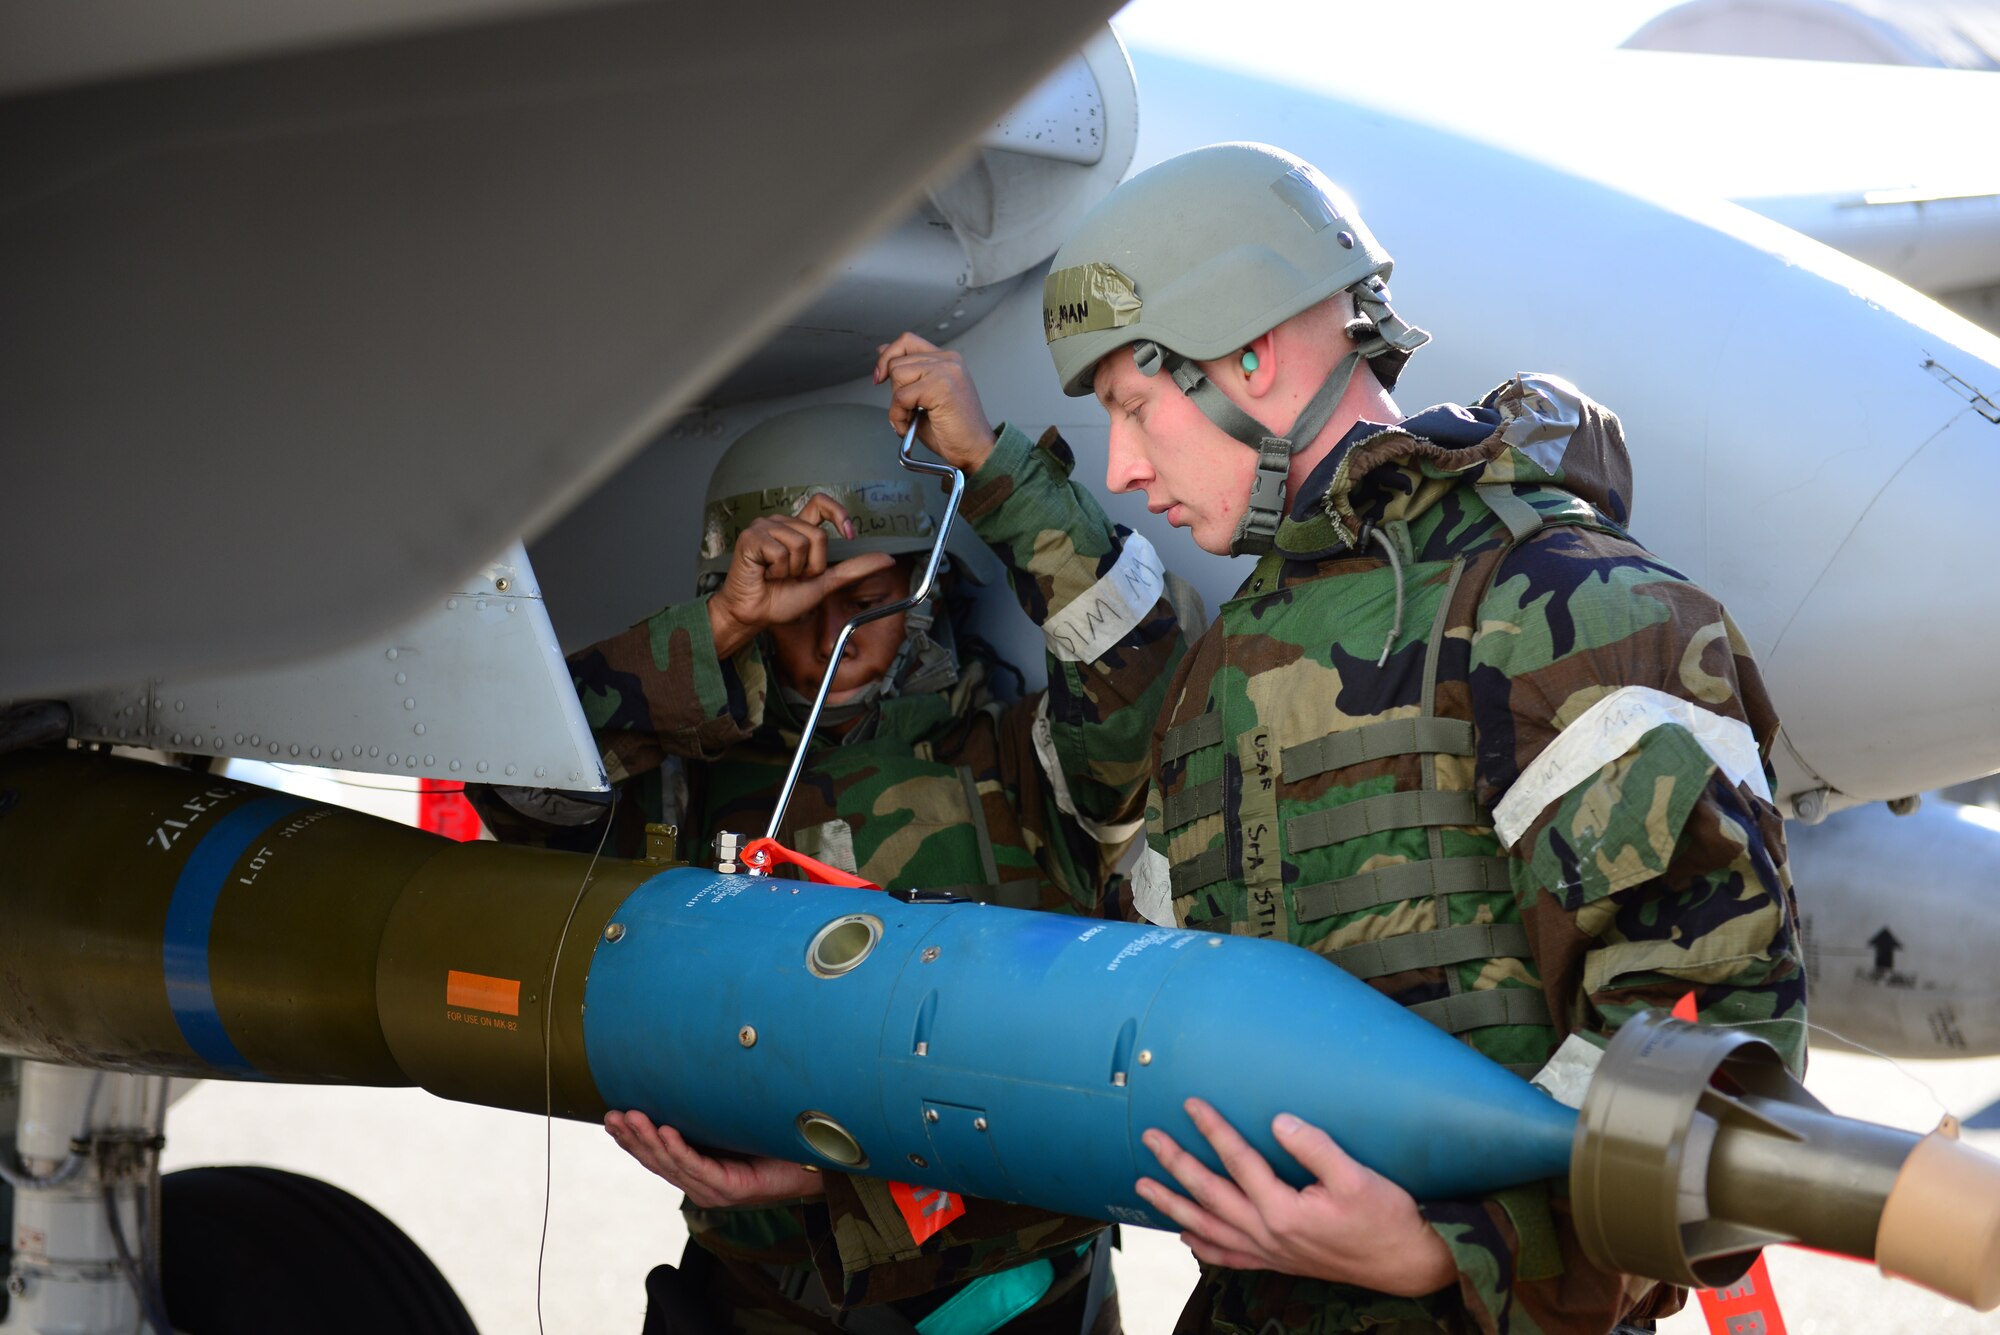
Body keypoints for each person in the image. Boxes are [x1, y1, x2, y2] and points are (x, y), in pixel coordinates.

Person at [1038, 141, 1806, 1334]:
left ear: (1249, 351)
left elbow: (1718, 1060)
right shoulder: (1222, 666)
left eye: (1134, 408)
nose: (1122, 470)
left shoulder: (1567, 608)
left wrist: (1451, 1254)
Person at [484, 348, 1189, 1334]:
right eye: (804, 599)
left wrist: (989, 463)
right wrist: (719, 628)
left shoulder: (1017, 755)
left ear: (927, 586)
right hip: (759, 1297)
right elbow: (520, 787)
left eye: (870, 591)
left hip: (999, 1298)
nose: (837, 626)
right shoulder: (683, 780)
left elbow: (1131, 654)